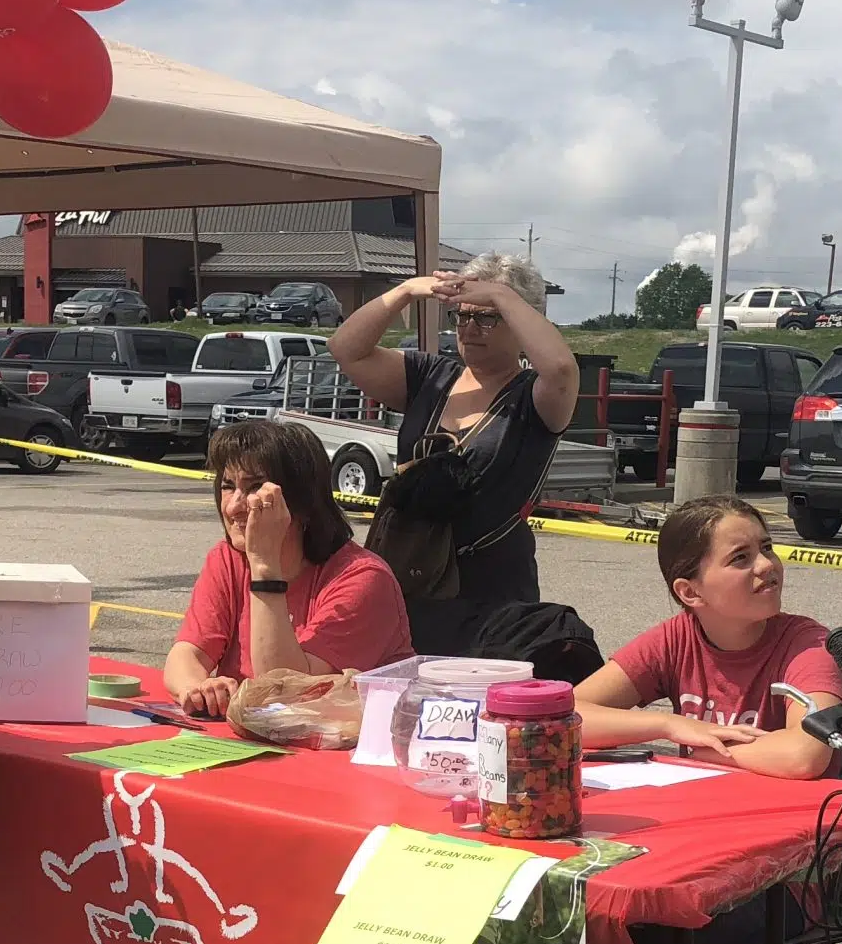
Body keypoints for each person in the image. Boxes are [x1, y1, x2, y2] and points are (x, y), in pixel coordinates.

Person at [326, 254, 580, 654]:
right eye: (461, 316)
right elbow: (346, 349)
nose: (470, 328)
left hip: (492, 592)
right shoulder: (429, 376)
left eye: (488, 317)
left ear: (520, 320)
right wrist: (407, 291)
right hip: (410, 576)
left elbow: (562, 369)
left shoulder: (536, 395)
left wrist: (499, 293)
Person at [573, 496, 842, 778]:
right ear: (690, 592)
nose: (767, 565)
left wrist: (707, 752)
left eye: (767, 548)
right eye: (741, 557)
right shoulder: (676, 638)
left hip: (804, 815)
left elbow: (806, 754)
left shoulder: (808, 644)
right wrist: (669, 725)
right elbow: (560, 719)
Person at [163, 415, 413, 719]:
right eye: (228, 486)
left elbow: (287, 694)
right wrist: (198, 689)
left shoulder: (364, 578)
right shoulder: (227, 559)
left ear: (304, 502)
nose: (232, 506)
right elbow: (186, 653)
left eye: (255, 487)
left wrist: (264, 566)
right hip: (252, 738)